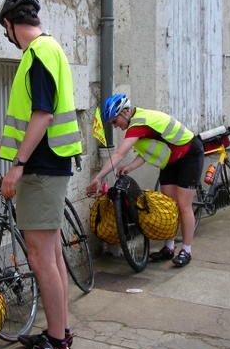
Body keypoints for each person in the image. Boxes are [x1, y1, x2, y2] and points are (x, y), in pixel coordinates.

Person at [0, 0, 81, 349]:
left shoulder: (36, 53)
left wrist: (16, 166)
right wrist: (0, 149)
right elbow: (35, 118)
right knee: (50, 256)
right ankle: (60, 333)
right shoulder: (50, 49)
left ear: (9, 24)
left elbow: (43, 115)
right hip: (50, 165)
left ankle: (57, 344)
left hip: (40, 169)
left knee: (41, 258)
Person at [85, 94, 203, 267]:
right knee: (169, 204)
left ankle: (186, 250)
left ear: (125, 112)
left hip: (190, 155)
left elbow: (119, 153)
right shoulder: (138, 122)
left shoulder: (138, 123)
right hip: (171, 160)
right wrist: (130, 167)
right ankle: (169, 247)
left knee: (184, 205)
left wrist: (98, 177)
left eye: (115, 122)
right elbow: (149, 150)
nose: (116, 126)